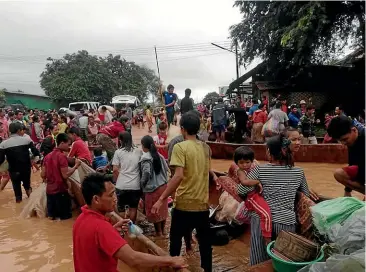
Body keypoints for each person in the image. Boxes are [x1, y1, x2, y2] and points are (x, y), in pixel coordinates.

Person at [73, 173, 186, 272]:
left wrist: (111, 231)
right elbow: (133, 259)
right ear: (96, 199)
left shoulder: (81, 219)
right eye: (111, 195)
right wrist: (170, 260)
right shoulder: (101, 227)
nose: (115, 199)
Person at [152, 112, 212, 272]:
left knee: (175, 243)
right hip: (202, 204)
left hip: (184, 203)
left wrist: (161, 199)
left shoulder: (180, 147)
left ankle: (175, 268)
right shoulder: (206, 148)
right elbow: (205, 172)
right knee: (206, 245)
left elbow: (178, 176)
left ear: (182, 129)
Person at [239, 134, 310, 266]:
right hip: (287, 222)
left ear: (270, 152)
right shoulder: (298, 172)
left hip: (261, 220)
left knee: (258, 262)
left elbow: (241, 191)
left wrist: (255, 186)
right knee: (282, 263)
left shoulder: (259, 170)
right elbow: (306, 194)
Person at [235, 147, 272, 241]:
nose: (245, 165)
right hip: (251, 197)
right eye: (241, 163)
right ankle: (267, 238)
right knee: (266, 214)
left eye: (247, 162)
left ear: (251, 161)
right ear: (237, 163)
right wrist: (257, 182)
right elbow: (244, 182)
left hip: (254, 194)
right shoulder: (240, 171)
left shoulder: (253, 168)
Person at [41, 133, 81, 220]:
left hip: (49, 192)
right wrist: (76, 166)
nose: (69, 147)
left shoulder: (47, 157)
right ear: (62, 143)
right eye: (68, 144)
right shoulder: (61, 156)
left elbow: (43, 175)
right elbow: (65, 175)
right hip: (60, 192)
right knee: (65, 219)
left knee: (51, 218)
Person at [0, 122, 40, 203]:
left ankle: (19, 204)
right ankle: (33, 206)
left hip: (13, 170)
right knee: (28, 187)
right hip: (25, 169)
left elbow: (0, 159)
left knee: (17, 191)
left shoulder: (3, 144)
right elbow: (36, 152)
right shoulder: (27, 140)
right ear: (18, 130)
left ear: (10, 131)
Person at [327, 116, 365, 196]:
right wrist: (347, 191)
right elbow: (353, 163)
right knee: (339, 174)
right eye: (340, 141)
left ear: (354, 130)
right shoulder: (351, 139)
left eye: (345, 139)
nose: (343, 143)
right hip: (363, 169)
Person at [140, 135, 169, 237]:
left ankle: (158, 233)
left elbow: (146, 173)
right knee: (162, 210)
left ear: (144, 146)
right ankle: (163, 231)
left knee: (154, 211)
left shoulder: (145, 158)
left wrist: (142, 184)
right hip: (163, 186)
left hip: (152, 189)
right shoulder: (160, 156)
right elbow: (166, 169)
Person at [112, 132, 142, 223]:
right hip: (135, 185)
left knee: (121, 208)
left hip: (121, 185)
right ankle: (131, 226)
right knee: (133, 208)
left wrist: (118, 181)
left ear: (120, 141)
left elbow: (115, 170)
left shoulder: (118, 152)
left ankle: (123, 227)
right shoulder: (139, 151)